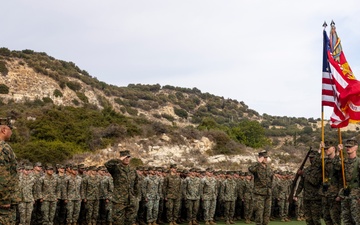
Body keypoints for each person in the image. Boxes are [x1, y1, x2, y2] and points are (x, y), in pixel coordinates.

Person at [105, 150, 140, 225]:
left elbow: (136, 184)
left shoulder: (132, 170)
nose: (127, 159)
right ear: (121, 158)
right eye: (125, 157)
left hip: (131, 200)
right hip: (119, 201)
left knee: (130, 221)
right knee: (118, 222)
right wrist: (119, 160)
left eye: (128, 157)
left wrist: (136, 197)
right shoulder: (116, 168)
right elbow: (107, 165)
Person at [294, 150, 322, 225]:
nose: (311, 159)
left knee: (316, 220)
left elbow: (315, 182)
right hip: (306, 197)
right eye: (310, 158)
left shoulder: (319, 170)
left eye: (312, 158)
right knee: (308, 220)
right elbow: (301, 184)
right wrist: (296, 194)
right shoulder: (307, 169)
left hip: (315, 198)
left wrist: (304, 173)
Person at [0, 117, 19, 225]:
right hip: (3, 201)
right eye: (10, 129)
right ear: (4, 130)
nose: (11, 132)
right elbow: (2, 174)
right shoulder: (3, 148)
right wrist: (5, 199)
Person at [337, 139, 360, 225]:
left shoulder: (358, 162)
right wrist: (338, 153)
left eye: (350, 146)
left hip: (356, 194)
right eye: (346, 146)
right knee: (346, 219)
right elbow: (335, 167)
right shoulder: (344, 162)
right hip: (345, 194)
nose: (348, 148)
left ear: (356, 148)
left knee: (357, 219)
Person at [248, 150, 273, 225]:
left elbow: (271, 179)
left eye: (266, 157)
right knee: (259, 213)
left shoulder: (269, 168)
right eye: (264, 157)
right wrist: (258, 162)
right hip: (259, 193)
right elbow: (250, 169)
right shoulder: (256, 167)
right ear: (260, 158)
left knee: (267, 213)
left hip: (268, 193)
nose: (266, 159)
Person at [319, 141, 342, 225]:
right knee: (326, 218)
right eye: (325, 149)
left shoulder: (339, 160)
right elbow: (315, 165)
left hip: (334, 194)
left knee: (335, 218)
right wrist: (319, 150)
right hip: (325, 193)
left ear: (333, 148)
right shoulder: (324, 162)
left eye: (327, 148)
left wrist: (340, 194)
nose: (326, 150)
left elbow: (338, 170)